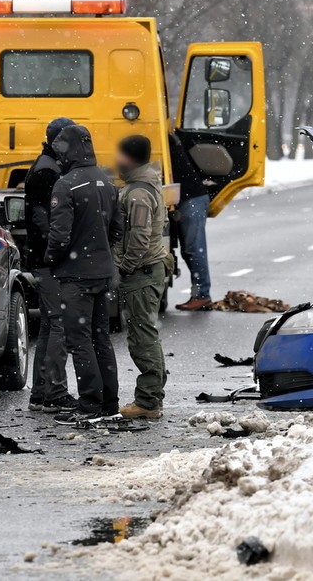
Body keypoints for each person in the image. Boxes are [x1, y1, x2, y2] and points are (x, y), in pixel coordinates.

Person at [44, 124, 123, 424]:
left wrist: (51, 259)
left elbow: (60, 235)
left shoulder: (66, 185)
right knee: (101, 338)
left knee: (79, 340)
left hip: (76, 276)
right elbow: (117, 229)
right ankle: (109, 402)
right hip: (103, 273)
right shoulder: (106, 181)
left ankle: (89, 405)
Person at [23, 117, 79, 413]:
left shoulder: (45, 166)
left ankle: (41, 394)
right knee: (59, 325)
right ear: (59, 142)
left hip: (43, 259)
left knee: (49, 325)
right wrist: (57, 251)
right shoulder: (49, 171)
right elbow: (42, 218)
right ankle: (54, 393)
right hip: (50, 262)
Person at [112, 136, 168, 420]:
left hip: (142, 272)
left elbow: (139, 237)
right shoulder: (140, 186)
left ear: (129, 158)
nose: (115, 160)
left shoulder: (138, 193)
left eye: (119, 155)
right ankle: (152, 394)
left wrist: (124, 266)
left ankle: (147, 401)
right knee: (144, 334)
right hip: (146, 270)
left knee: (142, 337)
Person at [169, 132, 213, 310]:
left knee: (194, 249)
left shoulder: (166, 140)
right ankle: (200, 294)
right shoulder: (170, 137)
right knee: (190, 251)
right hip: (190, 197)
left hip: (191, 199)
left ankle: (202, 294)